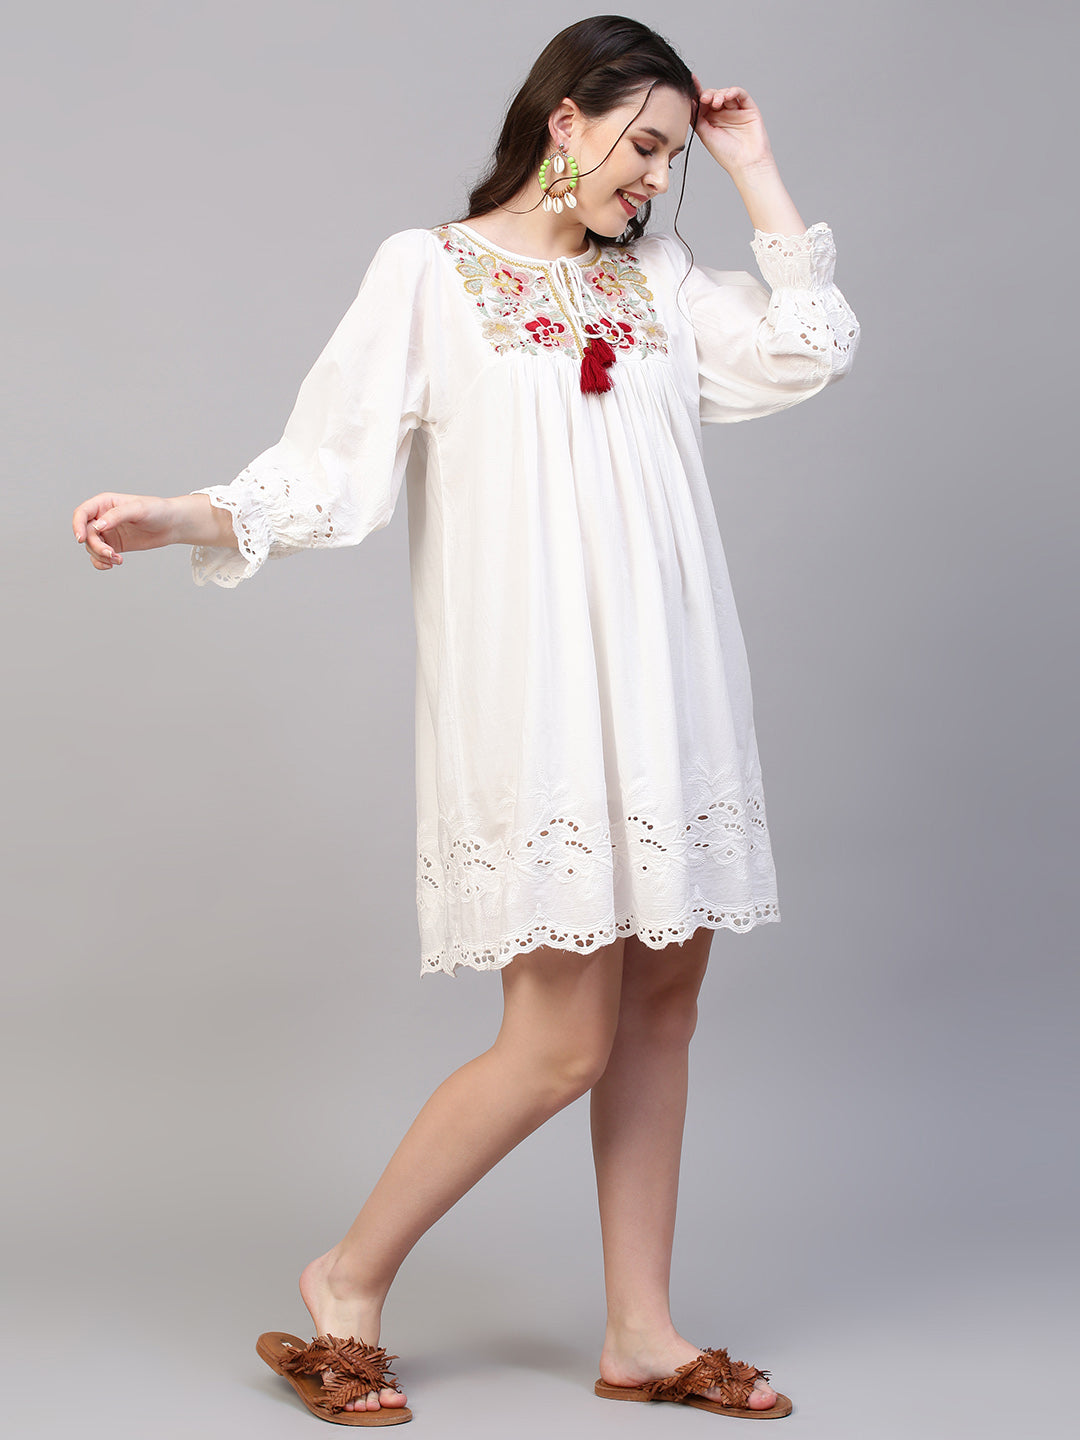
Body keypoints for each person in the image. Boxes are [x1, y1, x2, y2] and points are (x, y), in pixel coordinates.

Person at [72, 14, 859, 1427]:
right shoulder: (428, 273)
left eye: (672, 159)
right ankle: (347, 1278)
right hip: (541, 694)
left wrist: (751, 166)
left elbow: (809, 351)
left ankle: (642, 1332)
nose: (655, 180)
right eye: (644, 147)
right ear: (565, 122)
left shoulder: (660, 274)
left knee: (664, 1010)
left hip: (672, 685)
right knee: (558, 1044)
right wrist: (184, 514)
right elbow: (330, 468)